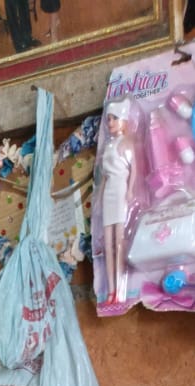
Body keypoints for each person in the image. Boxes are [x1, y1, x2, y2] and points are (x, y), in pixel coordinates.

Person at [97, 101, 137, 307]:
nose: (110, 122)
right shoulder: (107, 146)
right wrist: (99, 197)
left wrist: (130, 190)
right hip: (108, 193)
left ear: (123, 120)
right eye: (108, 119)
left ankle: (120, 289)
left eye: (114, 118)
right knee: (108, 245)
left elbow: (134, 169)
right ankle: (111, 291)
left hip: (121, 190)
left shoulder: (126, 143)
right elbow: (104, 176)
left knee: (119, 243)